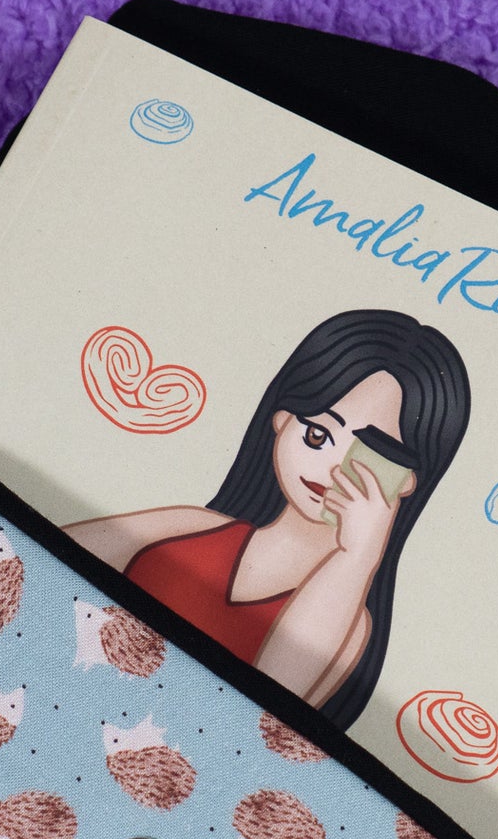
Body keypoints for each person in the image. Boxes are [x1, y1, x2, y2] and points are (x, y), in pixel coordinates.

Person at [63, 308, 470, 726]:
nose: (332, 468)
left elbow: (253, 722)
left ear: (405, 482)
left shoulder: (349, 623)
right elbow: (35, 557)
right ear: (282, 420)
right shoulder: (188, 528)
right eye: (317, 434)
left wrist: (359, 557)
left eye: (366, 457)